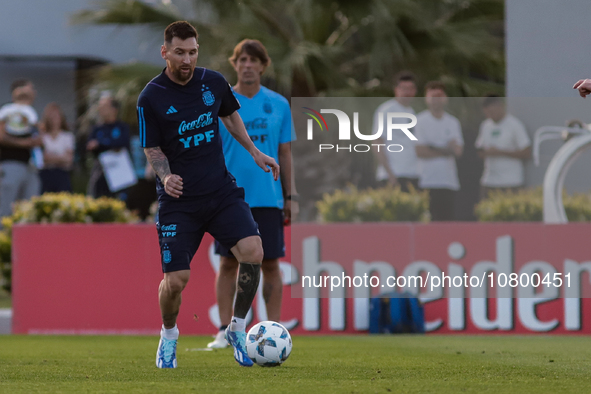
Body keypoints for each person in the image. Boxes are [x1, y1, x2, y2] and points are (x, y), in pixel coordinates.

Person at [137, 21, 279, 368]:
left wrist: (254, 151)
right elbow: (152, 147)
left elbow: (230, 117)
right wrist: (166, 175)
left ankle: (237, 329)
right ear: (165, 52)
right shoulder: (151, 96)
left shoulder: (212, 82)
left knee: (253, 251)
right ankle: (168, 334)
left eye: (192, 52)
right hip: (179, 201)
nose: (187, 59)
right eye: (179, 52)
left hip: (220, 192)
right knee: (176, 282)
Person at [207, 39, 297, 349]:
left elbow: (284, 154)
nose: (247, 65)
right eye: (242, 59)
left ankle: (274, 328)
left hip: (267, 196)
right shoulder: (221, 101)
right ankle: (224, 329)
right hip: (229, 197)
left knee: (270, 264)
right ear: (235, 64)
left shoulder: (279, 104)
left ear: (262, 65)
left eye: (253, 60)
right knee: (228, 264)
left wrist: (290, 196)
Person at [415, 81, 464, 221]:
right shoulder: (420, 121)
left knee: (446, 221)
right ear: (426, 99)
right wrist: (447, 149)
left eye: (439, 95)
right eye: (433, 96)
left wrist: (433, 147)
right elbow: (420, 151)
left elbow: (458, 151)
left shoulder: (452, 122)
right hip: (426, 181)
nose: (436, 99)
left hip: (448, 182)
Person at [0, 79, 42, 220]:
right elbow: (2, 137)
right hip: (10, 164)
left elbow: (39, 138)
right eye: (30, 89)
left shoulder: (32, 113)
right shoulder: (7, 111)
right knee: (5, 208)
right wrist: (24, 143)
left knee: (29, 210)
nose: (33, 92)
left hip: (31, 167)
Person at [475, 95, 531, 199]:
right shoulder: (485, 126)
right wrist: (487, 152)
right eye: (487, 113)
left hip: (511, 181)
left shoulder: (515, 125)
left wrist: (501, 152)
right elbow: (479, 149)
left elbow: (526, 152)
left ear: (500, 106)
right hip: (489, 181)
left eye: (492, 112)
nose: (490, 115)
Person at [373, 72, 419, 192]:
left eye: (410, 89)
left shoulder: (412, 112)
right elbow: (377, 143)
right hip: (393, 176)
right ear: (396, 90)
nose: (407, 92)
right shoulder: (386, 110)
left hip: (412, 174)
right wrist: (390, 175)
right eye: (404, 89)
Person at [86, 95, 131, 198]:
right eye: (100, 106)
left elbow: (122, 143)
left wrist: (101, 144)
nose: (100, 109)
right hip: (100, 172)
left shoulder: (122, 127)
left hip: (119, 172)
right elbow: (89, 146)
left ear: (114, 109)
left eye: (104, 106)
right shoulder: (96, 128)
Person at [39, 103, 75, 193]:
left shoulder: (67, 136)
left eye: (56, 116)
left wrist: (50, 158)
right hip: (45, 175)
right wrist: (60, 158)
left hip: (62, 175)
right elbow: (41, 159)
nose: (54, 119)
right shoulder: (42, 137)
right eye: (51, 117)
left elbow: (69, 160)